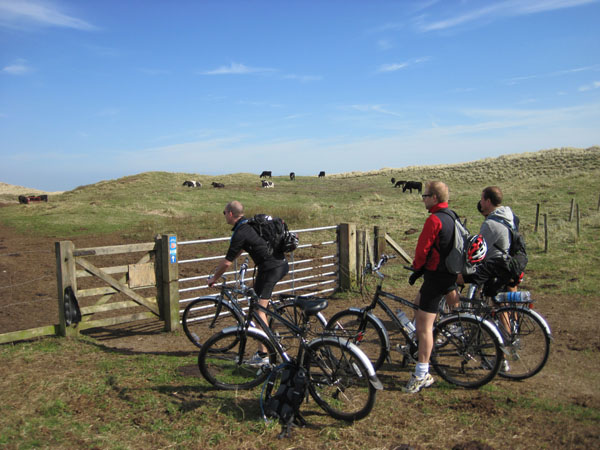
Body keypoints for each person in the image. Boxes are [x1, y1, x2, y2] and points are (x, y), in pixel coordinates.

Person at [207, 200, 289, 365]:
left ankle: (264, 355)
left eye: (224, 213)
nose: (224, 216)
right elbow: (240, 249)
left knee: (259, 311)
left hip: (270, 269)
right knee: (255, 298)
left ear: (230, 214)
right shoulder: (250, 224)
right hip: (277, 265)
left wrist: (214, 278)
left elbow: (227, 262)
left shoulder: (240, 232)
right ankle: (266, 334)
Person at [404, 181, 458, 394]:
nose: (423, 199)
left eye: (425, 196)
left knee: (424, 327)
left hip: (436, 278)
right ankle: (418, 350)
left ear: (434, 198)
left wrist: (416, 268)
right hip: (448, 274)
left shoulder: (434, 220)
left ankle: (421, 374)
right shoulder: (452, 216)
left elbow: (422, 250)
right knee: (416, 308)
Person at [457, 186, 520, 297]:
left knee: (496, 305)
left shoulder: (490, 225)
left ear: (488, 201)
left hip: (495, 267)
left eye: (482, 199)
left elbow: (478, 250)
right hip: (510, 264)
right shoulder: (509, 216)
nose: (480, 202)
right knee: (508, 303)